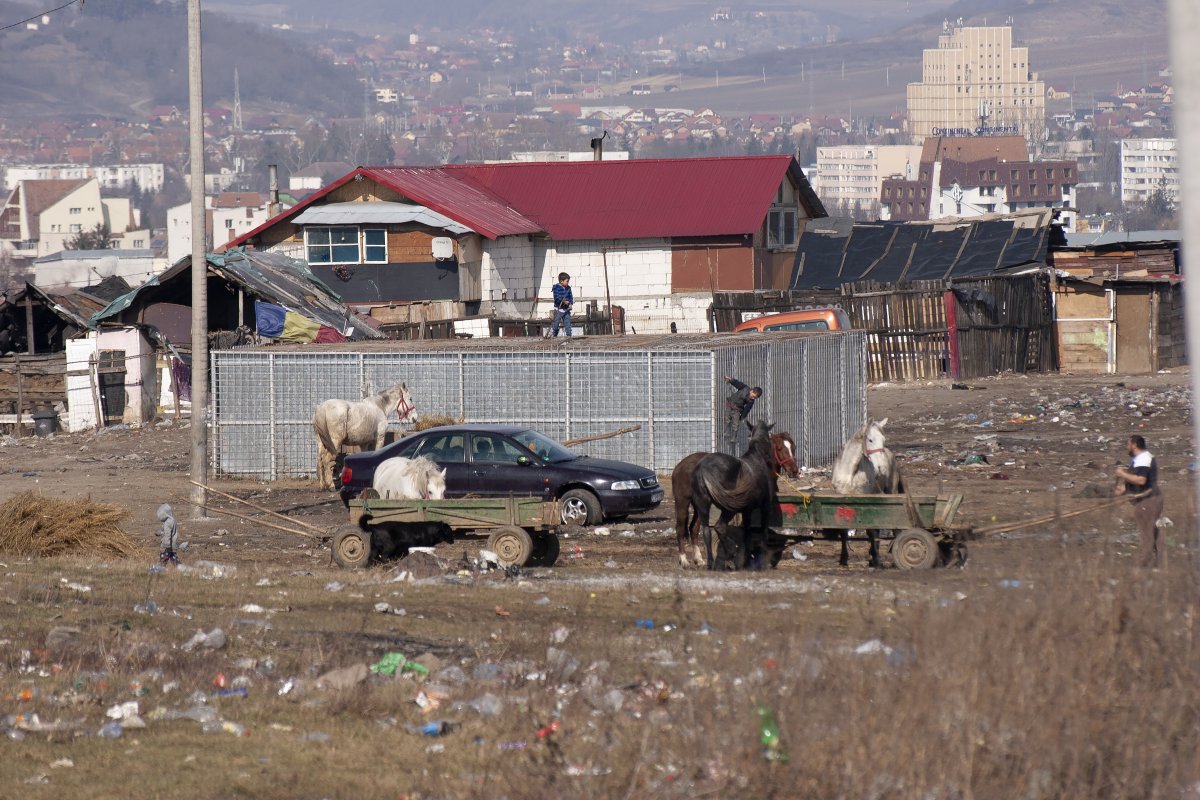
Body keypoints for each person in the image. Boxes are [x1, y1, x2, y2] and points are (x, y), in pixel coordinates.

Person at [1114, 435, 1164, 568]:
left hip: (1148, 501)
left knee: (1147, 534)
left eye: (1128, 444)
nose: (1127, 446)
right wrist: (1123, 489)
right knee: (1154, 531)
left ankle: (1142, 564)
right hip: (1150, 498)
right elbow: (1138, 481)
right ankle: (1160, 562)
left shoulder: (1143, 458)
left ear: (1134, 445)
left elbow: (1141, 480)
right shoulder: (1140, 459)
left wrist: (1122, 474)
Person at [723, 374, 762, 444]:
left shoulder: (751, 401)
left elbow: (747, 409)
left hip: (737, 409)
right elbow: (737, 383)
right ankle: (726, 432)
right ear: (751, 391)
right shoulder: (745, 388)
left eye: (755, 398)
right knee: (727, 418)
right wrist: (730, 379)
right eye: (753, 396)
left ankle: (734, 437)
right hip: (730, 403)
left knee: (736, 423)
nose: (753, 398)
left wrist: (742, 417)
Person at [550, 272, 573, 338]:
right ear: (561, 281)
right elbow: (556, 298)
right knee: (556, 324)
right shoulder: (556, 288)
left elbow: (571, 297)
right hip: (558, 310)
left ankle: (569, 337)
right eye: (567, 281)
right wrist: (563, 301)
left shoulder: (568, 288)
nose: (568, 283)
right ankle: (554, 336)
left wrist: (570, 303)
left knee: (567, 324)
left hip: (566, 310)